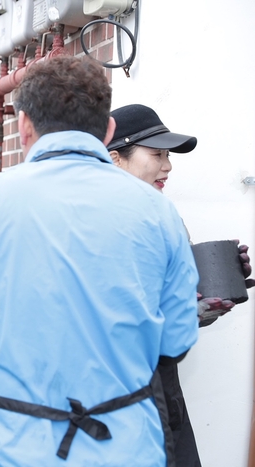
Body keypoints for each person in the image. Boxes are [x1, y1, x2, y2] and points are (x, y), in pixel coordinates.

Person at [0, 55, 199, 466]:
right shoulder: (158, 211)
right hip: (126, 448)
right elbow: (176, 341)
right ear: (107, 130)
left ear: (23, 126)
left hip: (9, 447)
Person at [108, 103, 254, 467]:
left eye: (168, 155)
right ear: (115, 158)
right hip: (107, 399)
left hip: (162, 392)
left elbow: (179, 309)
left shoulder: (167, 219)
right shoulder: (84, 223)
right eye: (156, 154)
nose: (168, 166)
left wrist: (212, 294)